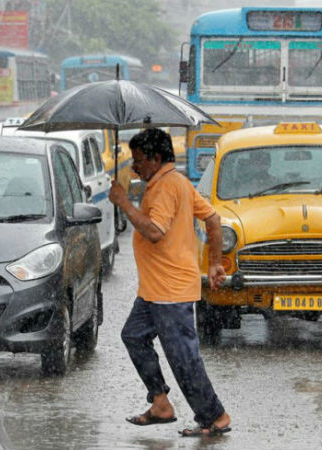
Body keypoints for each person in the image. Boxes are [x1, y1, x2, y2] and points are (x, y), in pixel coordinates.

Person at [108, 128, 232, 438]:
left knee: (183, 357)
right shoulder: (176, 181)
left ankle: (214, 416)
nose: (134, 167)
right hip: (154, 291)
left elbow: (154, 231)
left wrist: (124, 203)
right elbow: (214, 219)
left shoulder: (165, 187)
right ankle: (161, 404)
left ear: (156, 158)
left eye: (138, 161)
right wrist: (214, 262)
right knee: (133, 336)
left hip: (169, 291)